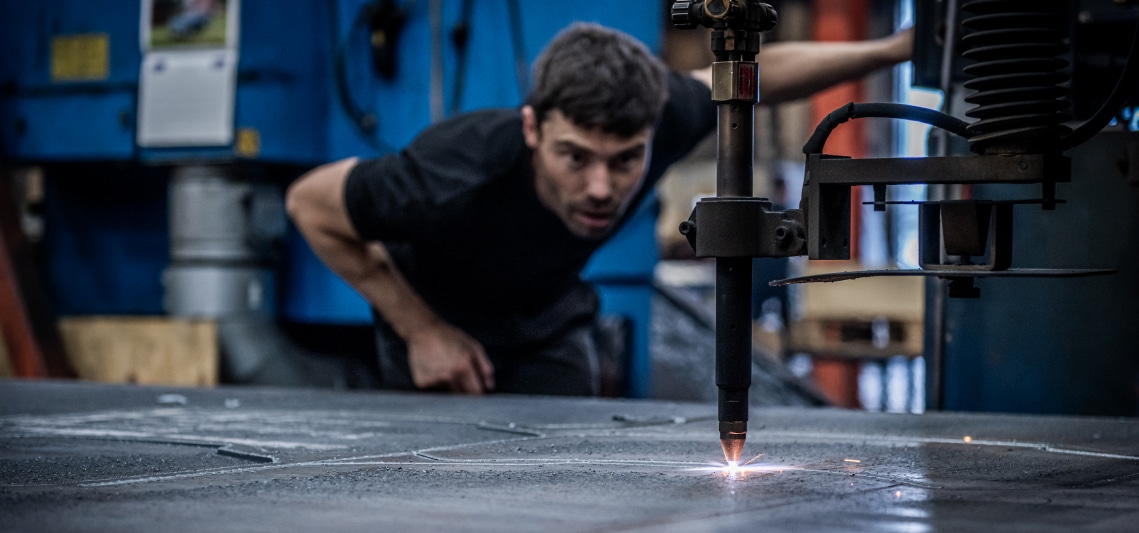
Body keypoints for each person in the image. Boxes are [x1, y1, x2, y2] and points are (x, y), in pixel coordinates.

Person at [286, 22, 913, 396]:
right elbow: (309, 202)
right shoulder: (454, 170)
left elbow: (751, 76)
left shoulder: (664, 114)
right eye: (575, 157)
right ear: (532, 129)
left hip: (545, 320)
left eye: (624, 160)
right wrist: (422, 331)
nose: (600, 188)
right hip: (436, 323)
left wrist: (892, 49)